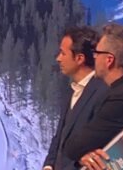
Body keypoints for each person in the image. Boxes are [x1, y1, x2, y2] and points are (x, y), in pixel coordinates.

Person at [65, 23, 123, 170]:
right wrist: (86, 156)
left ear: (109, 60)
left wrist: (84, 154)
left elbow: (75, 147)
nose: (94, 57)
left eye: (97, 53)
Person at [43, 26, 108, 170]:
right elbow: (60, 136)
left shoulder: (103, 93)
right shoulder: (71, 91)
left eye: (63, 53)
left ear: (79, 58)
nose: (58, 59)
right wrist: (49, 165)